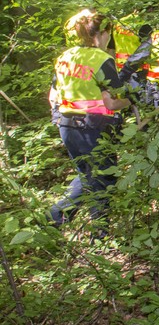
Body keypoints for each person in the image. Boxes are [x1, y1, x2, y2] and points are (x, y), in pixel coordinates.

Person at [49, 12, 130, 233]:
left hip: (67, 125)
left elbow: (53, 95)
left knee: (88, 174)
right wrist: (132, 97)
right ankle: (99, 233)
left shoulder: (66, 56)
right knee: (104, 177)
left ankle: (56, 217)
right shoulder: (101, 59)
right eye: (108, 34)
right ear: (103, 33)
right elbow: (113, 102)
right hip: (94, 127)